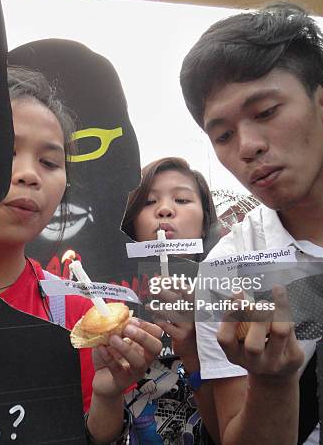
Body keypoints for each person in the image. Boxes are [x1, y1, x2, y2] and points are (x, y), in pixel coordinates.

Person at [179, 2, 323, 445]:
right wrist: (273, 383)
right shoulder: (228, 271)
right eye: (223, 135)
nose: (248, 147)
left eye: (267, 112)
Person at [0, 66, 163, 444]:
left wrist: (107, 395)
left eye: (50, 162)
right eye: (4, 150)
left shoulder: (77, 317)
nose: (28, 175)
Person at [122, 157, 220, 444]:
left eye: (181, 199)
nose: (164, 209)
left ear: (204, 221)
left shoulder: (232, 295)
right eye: (149, 202)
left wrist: (194, 352)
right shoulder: (106, 301)